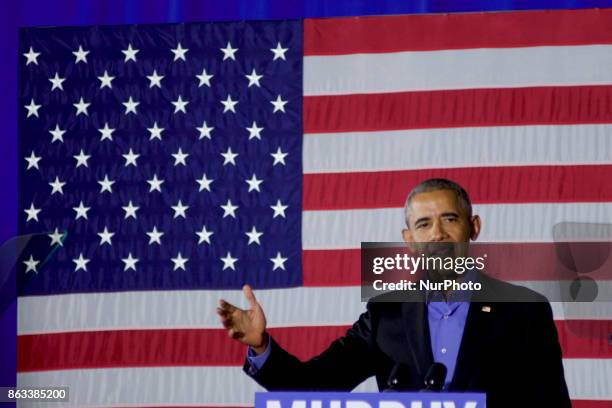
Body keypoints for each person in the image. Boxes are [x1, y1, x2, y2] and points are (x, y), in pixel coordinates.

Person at [216, 178, 571, 407]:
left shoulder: (525, 309)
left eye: (449, 219)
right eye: (423, 224)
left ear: (472, 227)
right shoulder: (385, 313)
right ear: (409, 240)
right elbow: (314, 383)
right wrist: (261, 346)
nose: (437, 235)